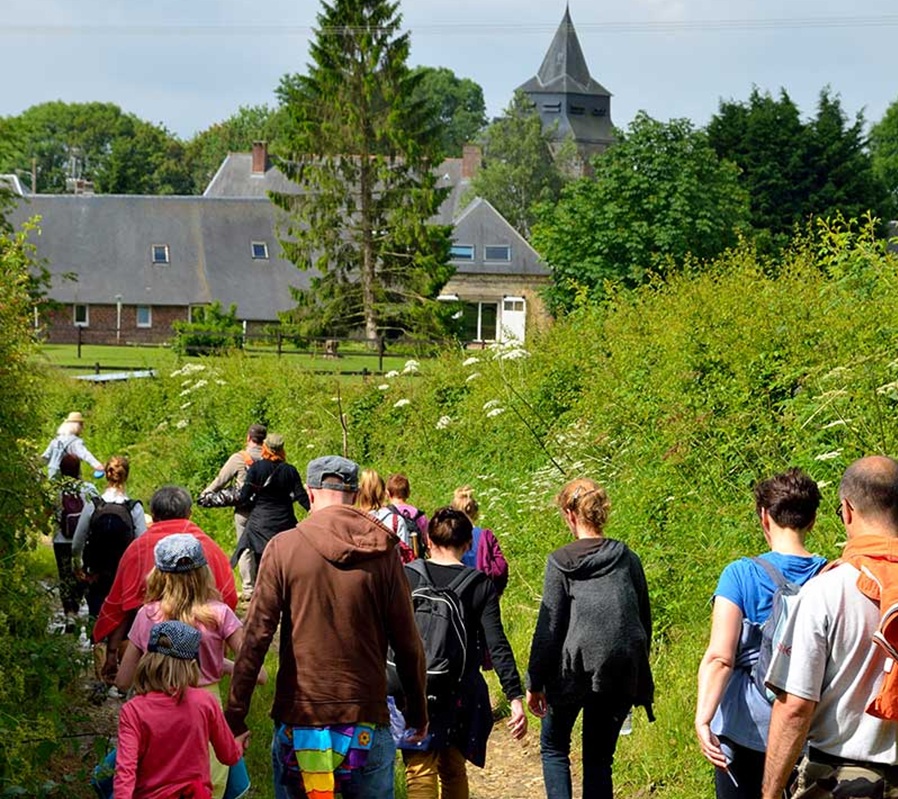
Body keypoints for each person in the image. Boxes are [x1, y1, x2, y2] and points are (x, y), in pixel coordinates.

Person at [225, 455, 428, 799]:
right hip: (365, 717)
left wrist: (235, 715)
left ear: (310, 491)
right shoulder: (382, 551)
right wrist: (417, 711)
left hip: (300, 717)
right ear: (353, 494)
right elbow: (407, 642)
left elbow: (256, 636)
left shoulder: (284, 548)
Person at [762, 456, 898, 799]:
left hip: (842, 780)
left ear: (848, 510)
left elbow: (795, 707)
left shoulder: (827, 591)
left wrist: (770, 791)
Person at [695, 467, 826, 799]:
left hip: (743, 730)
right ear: (812, 521)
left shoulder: (739, 575)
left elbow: (720, 658)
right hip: (806, 730)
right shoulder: (832, 576)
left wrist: (703, 718)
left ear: (764, 517)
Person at [526, 477, 654, 799]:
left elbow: (549, 628)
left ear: (570, 515)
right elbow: (643, 620)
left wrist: (535, 682)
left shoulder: (561, 562)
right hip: (618, 672)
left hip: (570, 673)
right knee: (599, 760)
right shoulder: (627, 558)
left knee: (554, 747)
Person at [115, 534, 265, 799]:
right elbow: (259, 673)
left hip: (154, 710)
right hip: (207, 708)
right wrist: (220, 664)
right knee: (206, 784)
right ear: (203, 572)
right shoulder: (219, 614)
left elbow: (123, 681)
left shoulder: (147, 614)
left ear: (159, 574)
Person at [400, 506, 527, 799]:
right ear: (468, 543)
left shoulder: (406, 576)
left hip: (414, 687)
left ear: (428, 541)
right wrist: (514, 696)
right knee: (454, 768)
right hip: (460, 691)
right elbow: (497, 643)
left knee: (419, 770)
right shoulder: (479, 584)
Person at [92, 485, 238, 685]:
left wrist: (111, 653)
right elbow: (228, 597)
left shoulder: (138, 548)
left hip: (152, 663)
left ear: (153, 514)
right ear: (189, 513)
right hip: (201, 664)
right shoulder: (209, 547)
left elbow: (120, 605)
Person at [114, 620, 246, 799]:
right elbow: (228, 756)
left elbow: (125, 770)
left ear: (148, 660)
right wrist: (238, 743)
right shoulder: (205, 703)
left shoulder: (134, 710)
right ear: (192, 665)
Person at [71, 455, 147, 617]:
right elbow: (142, 545)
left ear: (106, 474)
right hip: (123, 573)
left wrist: (78, 565)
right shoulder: (134, 508)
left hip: (96, 571)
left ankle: (97, 640)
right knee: (120, 617)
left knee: (97, 614)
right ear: (126, 476)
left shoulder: (94, 505)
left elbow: (77, 543)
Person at [201, 423, 266, 601]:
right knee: (266, 547)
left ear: (248, 438)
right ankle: (266, 585)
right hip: (267, 510)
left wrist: (205, 494)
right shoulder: (273, 458)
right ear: (264, 440)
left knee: (246, 548)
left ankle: (248, 588)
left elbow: (220, 480)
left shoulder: (240, 458)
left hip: (245, 511)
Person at [231, 433, 310, 582]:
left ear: (265, 448)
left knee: (262, 559)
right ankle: (286, 588)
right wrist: (315, 511)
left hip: (260, 523)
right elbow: (301, 497)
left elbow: (244, 497)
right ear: (282, 450)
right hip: (284, 523)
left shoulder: (256, 468)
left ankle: (265, 590)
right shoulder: (290, 470)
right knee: (285, 559)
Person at [52, 453, 98, 629]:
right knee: (80, 574)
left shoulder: (56, 490)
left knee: (65, 576)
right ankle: (76, 607)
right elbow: (97, 509)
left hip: (61, 540)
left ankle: (68, 614)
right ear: (78, 469)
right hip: (84, 540)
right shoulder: (88, 488)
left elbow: (49, 513)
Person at [450, 485, 509, 596]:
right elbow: (501, 567)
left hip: (455, 590)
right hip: (482, 591)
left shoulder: (448, 536)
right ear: (475, 512)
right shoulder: (485, 536)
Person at [358, 469, 415, 553]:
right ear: (384, 494)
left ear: (358, 494)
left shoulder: (351, 520)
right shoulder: (396, 521)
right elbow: (405, 558)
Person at [42, 411, 104, 479]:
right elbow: (85, 454)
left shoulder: (56, 440)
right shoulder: (74, 442)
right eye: (81, 425)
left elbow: (45, 457)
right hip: (68, 474)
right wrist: (97, 465)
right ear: (77, 426)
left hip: (52, 472)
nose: (82, 428)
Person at [386, 473, 429, 557]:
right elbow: (427, 542)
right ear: (408, 493)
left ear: (387, 493)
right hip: (415, 564)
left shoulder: (385, 514)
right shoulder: (419, 516)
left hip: (392, 562)